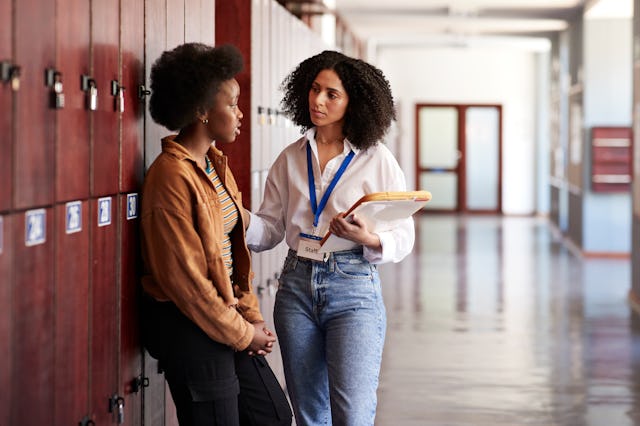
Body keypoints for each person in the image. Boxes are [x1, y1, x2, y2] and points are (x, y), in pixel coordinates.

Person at [245, 50, 415, 425]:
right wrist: (234, 217)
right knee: (308, 412)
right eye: (314, 89)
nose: (318, 101)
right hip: (296, 286)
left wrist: (368, 237)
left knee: (352, 412)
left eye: (332, 94)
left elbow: (404, 234)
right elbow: (269, 230)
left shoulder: (376, 158)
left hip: (353, 287)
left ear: (354, 102)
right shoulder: (290, 158)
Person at [139, 42, 292, 426]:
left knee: (272, 414)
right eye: (233, 103)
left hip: (226, 318)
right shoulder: (170, 176)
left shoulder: (214, 165)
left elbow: (233, 252)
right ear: (202, 110)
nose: (241, 114)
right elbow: (187, 282)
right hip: (189, 327)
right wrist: (243, 334)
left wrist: (251, 318)